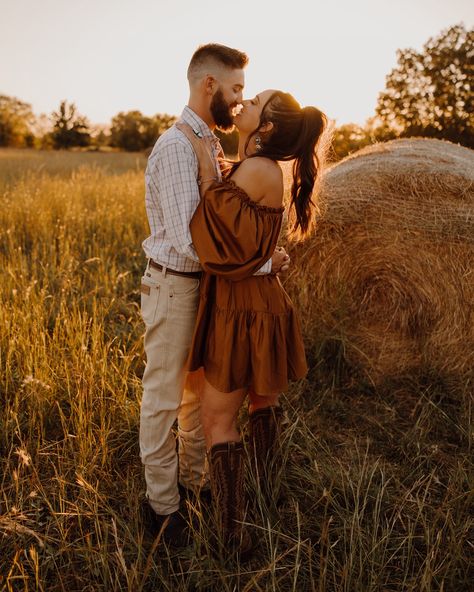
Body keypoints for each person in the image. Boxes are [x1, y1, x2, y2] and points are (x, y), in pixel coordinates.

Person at [139, 44, 290, 547]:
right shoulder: (179, 146)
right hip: (177, 286)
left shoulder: (211, 143)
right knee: (163, 400)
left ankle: (199, 485)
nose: (240, 99)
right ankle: (161, 509)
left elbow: (231, 223)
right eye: (237, 89)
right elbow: (193, 240)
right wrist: (265, 263)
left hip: (206, 290)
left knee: (196, 397)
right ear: (210, 87)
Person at [176, 88, 327, 559]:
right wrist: (268, 260)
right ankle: (263, 500)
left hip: (245, 308)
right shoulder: (252, 168)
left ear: (266, 128)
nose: (243, 103)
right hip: (253, 302)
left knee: (217, 418)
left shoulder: (259, 170)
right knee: (261, 404)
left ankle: (232, 536)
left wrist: (264, 260)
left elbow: (218, 240)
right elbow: (249, 246)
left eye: (254, 101)